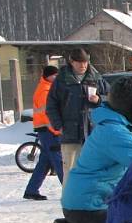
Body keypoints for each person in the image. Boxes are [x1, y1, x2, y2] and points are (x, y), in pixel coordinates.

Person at [60, 76, 132, 223]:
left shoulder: (115, 126)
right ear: (131, 106)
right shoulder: (115, 132)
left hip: (93, 201)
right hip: (90, 207)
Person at [46, 48, 109, 181]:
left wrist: (99, 99)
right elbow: (51, 105)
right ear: (72, 62)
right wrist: (59, 125)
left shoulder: (96, 78)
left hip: (94, 133)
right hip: (70, 134)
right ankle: (70, 201)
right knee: (70, 172)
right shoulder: (61, 80)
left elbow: (111, 97)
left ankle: (89, 200)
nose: (83, 65)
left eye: (85, 62)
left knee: (94, 171)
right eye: (79, 62)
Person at [23, 66, 63, 200]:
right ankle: (71, 191)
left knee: (45, 162)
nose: (57, 78)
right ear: (49, 76)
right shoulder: (46, 91)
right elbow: (49, 115)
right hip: (49, 130)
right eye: (55, 76)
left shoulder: (46, 88)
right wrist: (57, 130)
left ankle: (31, 190)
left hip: (45, 130)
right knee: (59, 162)